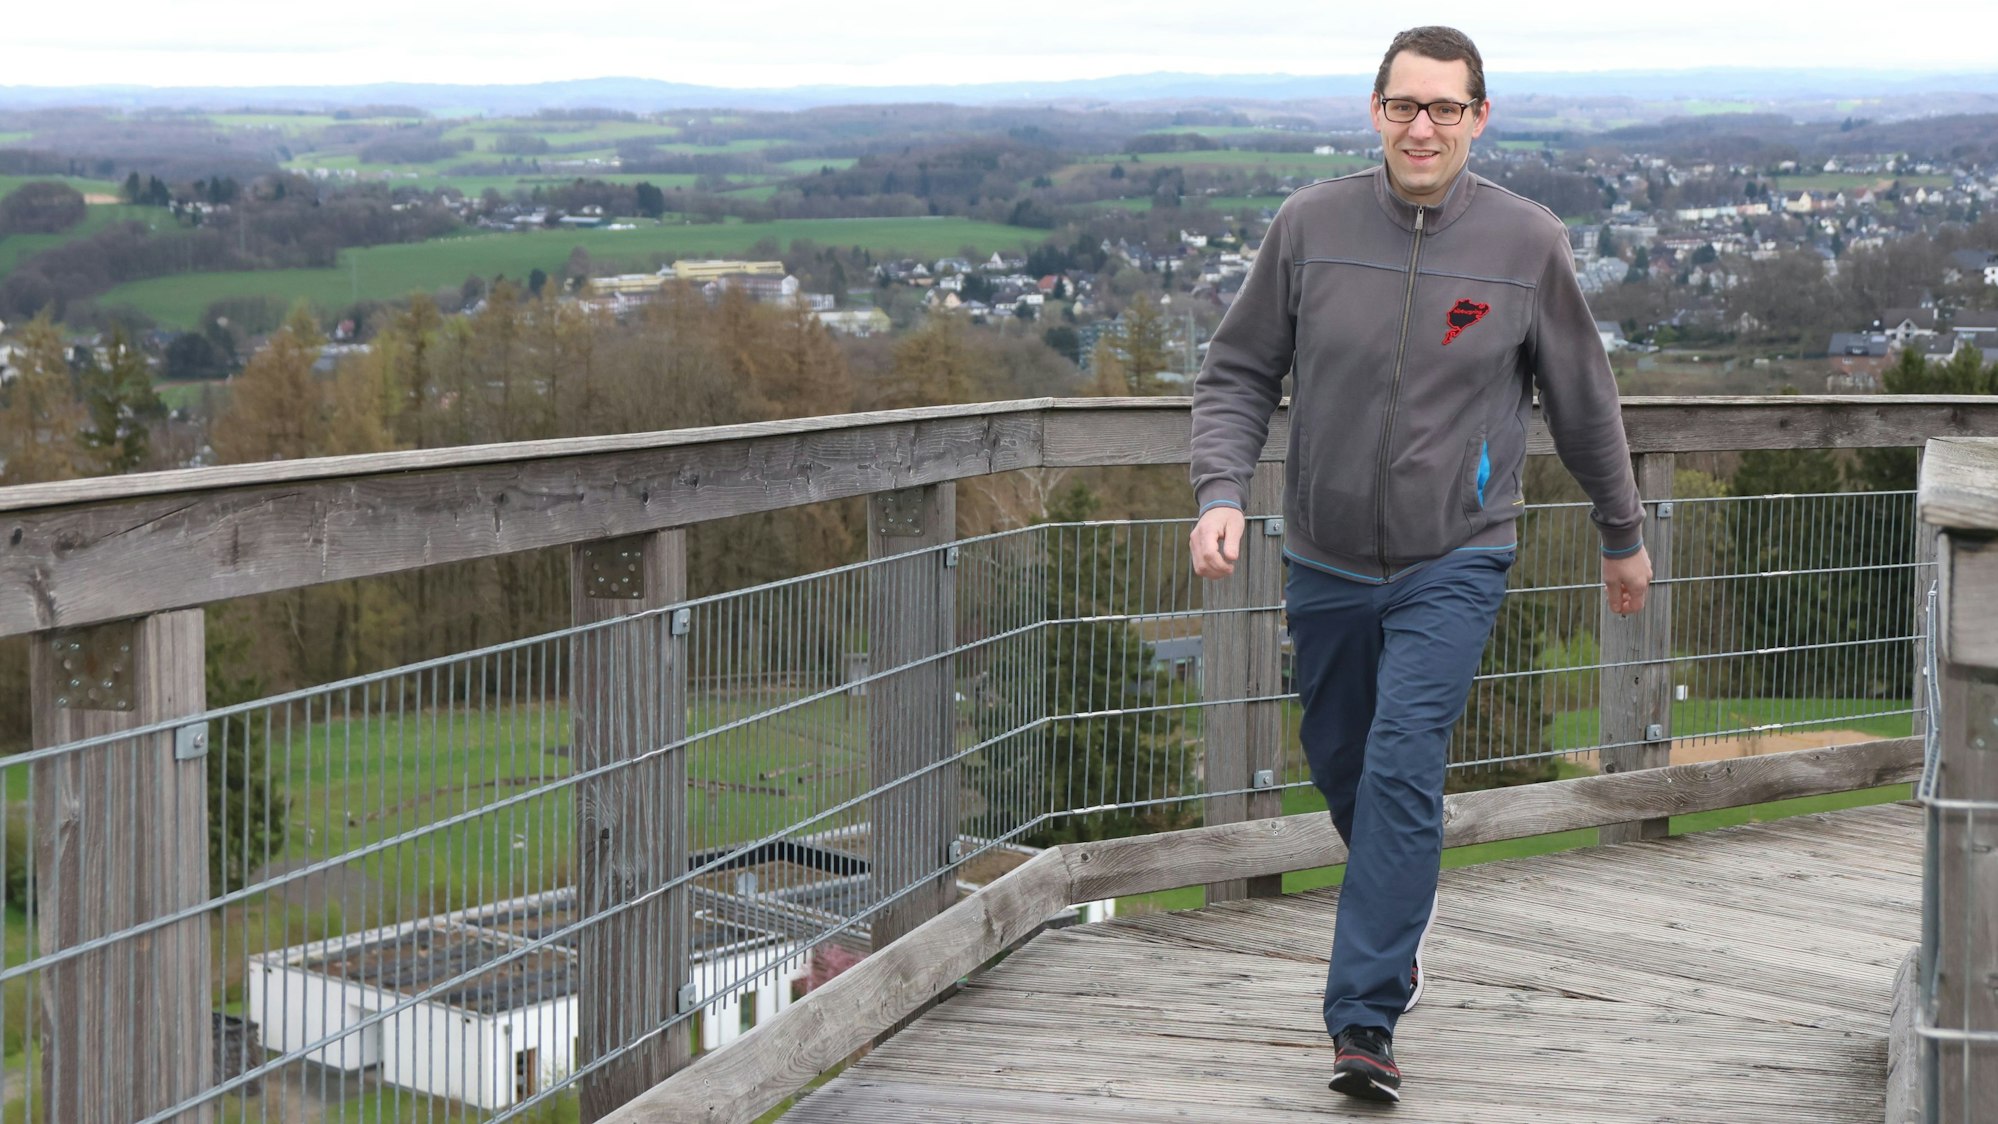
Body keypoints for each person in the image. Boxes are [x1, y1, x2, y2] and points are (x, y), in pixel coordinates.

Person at [1186, 25, 1653, 1105]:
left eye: (1446, 107)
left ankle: (1364, 1018)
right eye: (1405, 105)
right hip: (1325, 555)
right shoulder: (1310, 226)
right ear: (1375, 111)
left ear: (1479, 118)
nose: (1423, 126)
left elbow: (1584, 398)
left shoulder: (1527, 243)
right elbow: (1238, 372)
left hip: (1459, 550)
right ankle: (1397, 918)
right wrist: (1221, 493)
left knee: (1402, 762)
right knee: (1347, 763)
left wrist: (1621, 532)